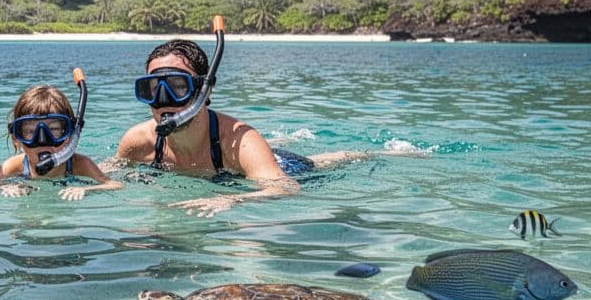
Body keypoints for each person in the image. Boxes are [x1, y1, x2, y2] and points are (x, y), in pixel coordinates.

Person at [117, 38, 395, 218]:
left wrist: (233, 200)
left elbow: (286, 188)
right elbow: (110, 170)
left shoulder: (241, 141)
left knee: (322, 163)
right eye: (153, 89)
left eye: (178, 87)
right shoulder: (138, 141)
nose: (164, 100)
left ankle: (373, 154)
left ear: (205, 89)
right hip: (240, 164)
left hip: (280, 165)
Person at [0, 84, 122, 201]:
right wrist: (6, 187)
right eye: (30, 131)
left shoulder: (79, 164)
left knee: (113, 167)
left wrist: (87, 189)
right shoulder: (13, 167)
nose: (42, 140)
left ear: (70, 135)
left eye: (54, 129)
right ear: (16, 137)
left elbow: (115, 185)